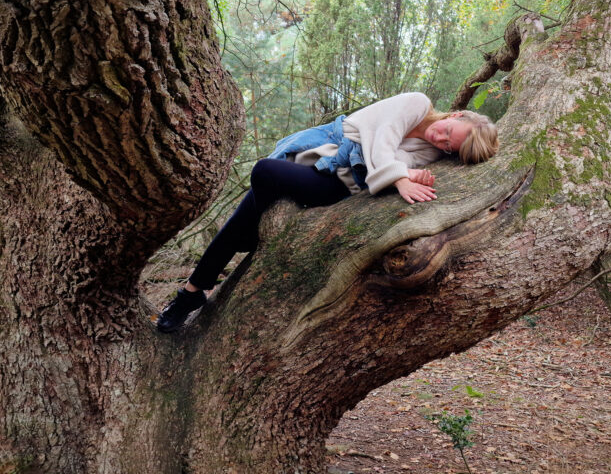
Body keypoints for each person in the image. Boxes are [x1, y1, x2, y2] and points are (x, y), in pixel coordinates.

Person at [156, 92, 498, 332]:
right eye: (449, 132)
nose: (441, 139)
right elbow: (381, 141)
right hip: (325, 147)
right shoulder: (417, 103)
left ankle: (193, 290)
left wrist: (405, 171)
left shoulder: (431, 153)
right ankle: (192, 292)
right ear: (456, 115)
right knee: (250, 200)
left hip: (341, 182)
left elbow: (392, 161)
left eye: (448, 146)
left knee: (261, 178)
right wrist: (400, 177)